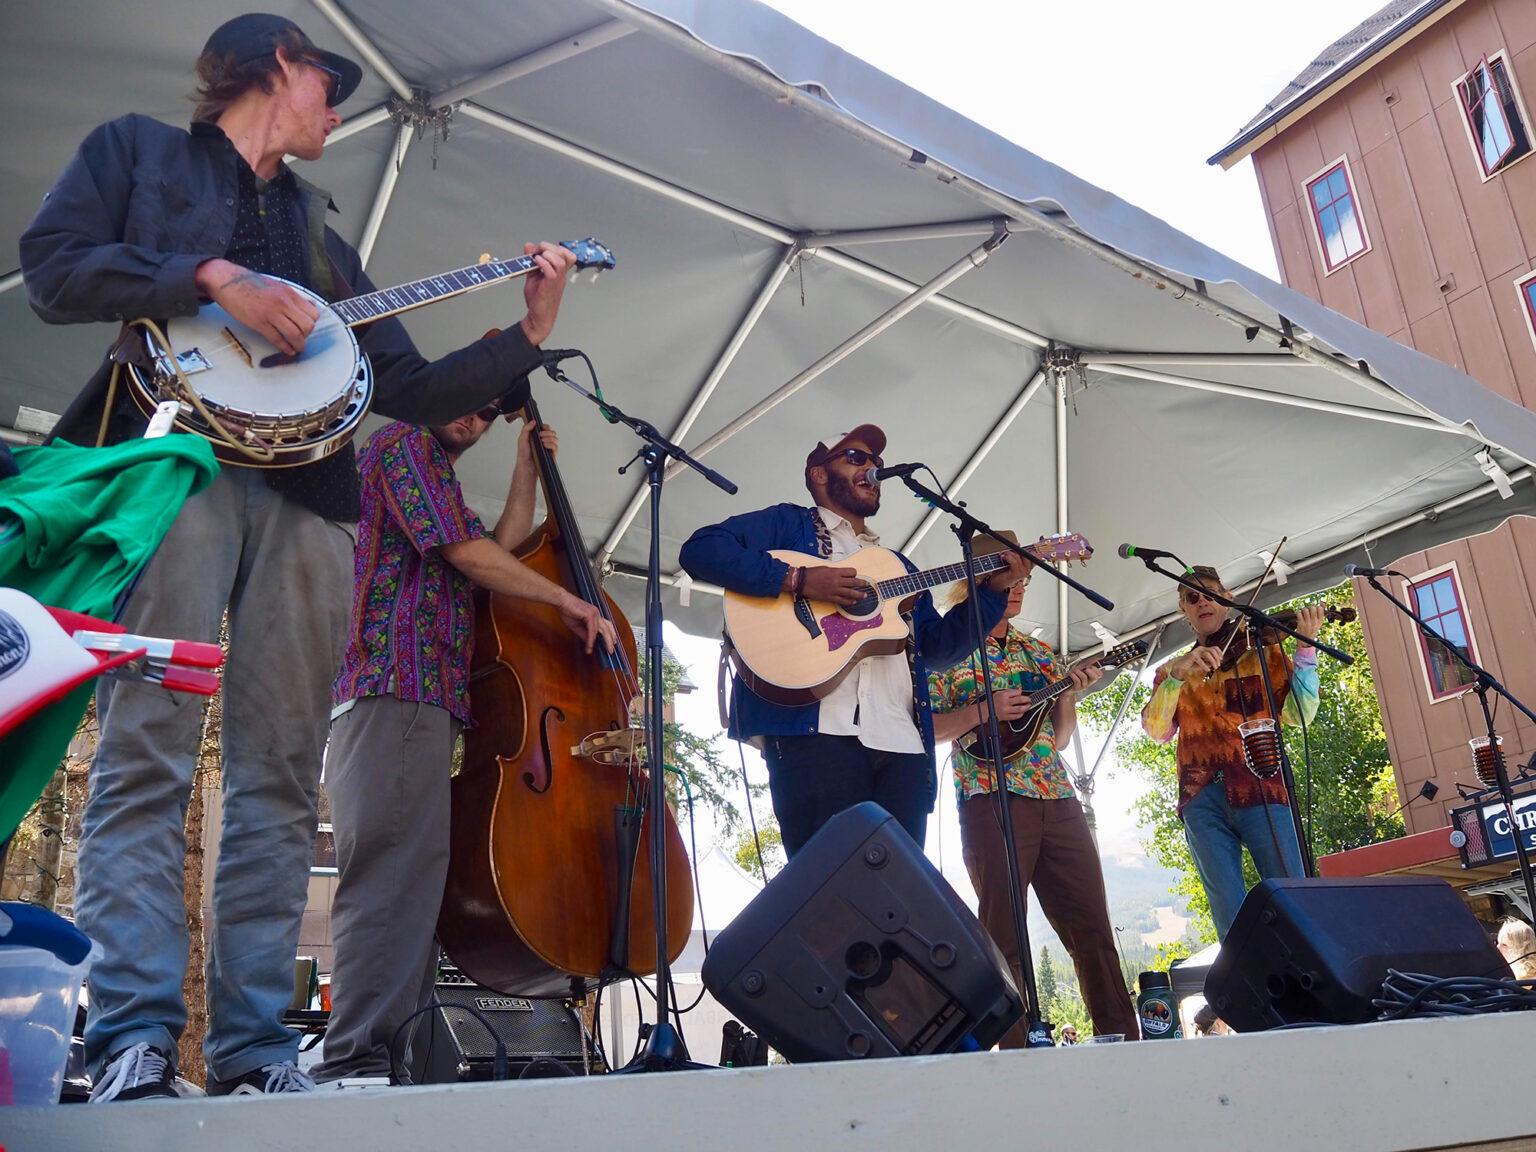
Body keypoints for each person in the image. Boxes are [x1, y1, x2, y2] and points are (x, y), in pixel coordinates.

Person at [20, 13, 578, 1100]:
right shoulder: (136, 155)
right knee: (148, 749)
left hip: (314, 503)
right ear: (283, 63)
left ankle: (257, 1052)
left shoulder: (325, 236)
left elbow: (410, 392)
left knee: (278, 779)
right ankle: (131, 1034)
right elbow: (52, 272)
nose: (339, 107)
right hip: (171, 472)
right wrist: (210, 275)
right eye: (332, 84)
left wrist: (528, 334)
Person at [314, 400, 614, 1084]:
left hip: (421, 699)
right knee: (391, 879)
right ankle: (359, 1061)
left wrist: (525, 471)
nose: (476, 420)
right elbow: (470, 554)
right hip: (398, 686)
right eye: (470, 401)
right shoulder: (402, 444)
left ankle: (394, 1065)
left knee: (412, 886)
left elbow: (494, 546)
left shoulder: (434, 479)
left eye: (490, 415)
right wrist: (564, 601)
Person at [677, 424, 1030, 856]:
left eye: (877, 462)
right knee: (829, 890)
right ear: (819, 475)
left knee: (900, 895)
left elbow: (937, 649)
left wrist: (992, 593)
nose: (873, 468)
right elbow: (701, 549)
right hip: (816, 735)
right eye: (857, 458)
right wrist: (800, 578)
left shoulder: (893, 565)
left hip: (901, 743)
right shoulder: (788, 525)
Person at [928, 535, 1138, 1045]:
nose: (1019, 589)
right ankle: (1016, 1048)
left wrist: (1070, 691)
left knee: (1090, 922)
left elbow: (1059, 739)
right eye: (1010, 577)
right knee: (1003, 932)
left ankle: (1120, 1040)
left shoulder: (1039, 652)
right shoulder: (945, 646)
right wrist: (984, 710)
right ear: (978, 579)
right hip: (987, 798)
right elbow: (928, 727)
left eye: (1025, 580)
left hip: (1056, 795)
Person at [1140, 566, 1324, 940]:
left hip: (1261, 785)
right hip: (1200, 798)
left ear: (1228, 601)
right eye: (1192, 598)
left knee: (1294, 896)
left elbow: (1298, 715)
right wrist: (1176, 677)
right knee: (1228, 910)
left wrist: (1306, 648)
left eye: (1211, 594)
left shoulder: (1265, 653)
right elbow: (1156, 730)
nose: (1202, 601)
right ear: (1184, 611)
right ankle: (1248, 991)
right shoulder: (1172, 671)